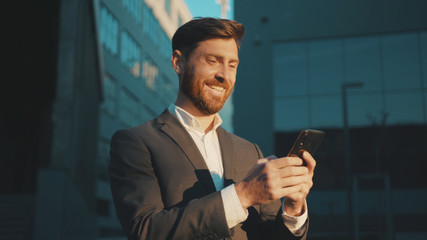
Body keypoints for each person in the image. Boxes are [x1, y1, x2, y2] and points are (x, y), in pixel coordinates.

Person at [109, 17, 316, 240]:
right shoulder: (137, 142)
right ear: (178, 62)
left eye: (232, 65)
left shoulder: (250, 151)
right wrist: (242, 195)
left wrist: (293, 209)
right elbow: (146, 231)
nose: (224, 75)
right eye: (213, 61)